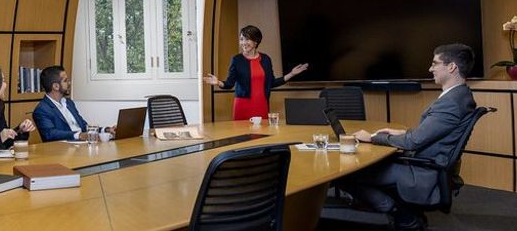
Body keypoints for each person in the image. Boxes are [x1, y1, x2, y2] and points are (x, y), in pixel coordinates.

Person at [339, 43, 477, 231]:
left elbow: (414, 142)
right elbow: (429, 133)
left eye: (435, 63)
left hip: (421, 171)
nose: (430, 68)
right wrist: (403, 133)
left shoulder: (451, 103)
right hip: (425, 162)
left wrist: (372, 138)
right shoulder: (460, 96)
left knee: (346, 174)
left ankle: (402, 214)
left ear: (451, 67)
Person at [203, 25, 309, 121]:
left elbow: (272, 83)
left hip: (261, 105)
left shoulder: (266, 59)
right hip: (242, 105)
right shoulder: (236, 60)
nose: (243, 43)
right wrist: (218, 82)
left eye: (247, 39)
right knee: (241, 137)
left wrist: (292, 74)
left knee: (262, 136)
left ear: (256, 41)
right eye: (241, 39)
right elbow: (229, 84)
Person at [33, 66, 114, 142]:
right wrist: (79, 135)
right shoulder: (42, 110)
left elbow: (83, 126)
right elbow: (50, 134)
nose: (69, 83)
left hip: (83, 145)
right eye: (65, 81)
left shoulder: (69, 103)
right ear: (56, 86)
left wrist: (105, 130)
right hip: (65, 151)